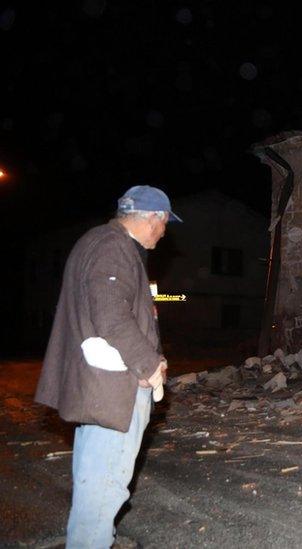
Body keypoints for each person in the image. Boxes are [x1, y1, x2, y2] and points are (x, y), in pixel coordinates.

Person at [35, 185, 182, 548]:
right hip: (114, 389)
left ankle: (96, 538)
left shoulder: (100, 242)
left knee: (95, 476)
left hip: (101, 387)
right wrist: (149, 365)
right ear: (153, 219)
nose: (164, 233)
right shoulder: (113, 248)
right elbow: (111, 316)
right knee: (105, 482)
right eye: (164, 224)